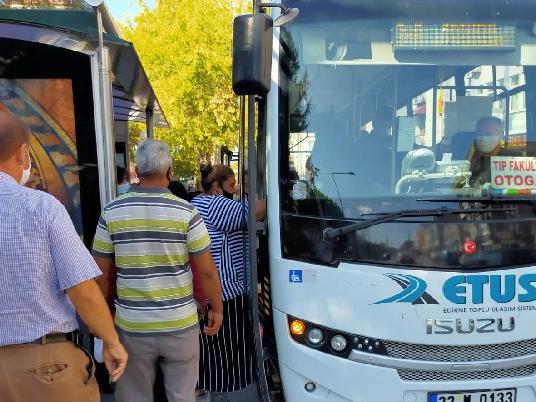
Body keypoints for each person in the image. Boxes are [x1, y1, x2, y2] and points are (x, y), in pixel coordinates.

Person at [0, 110, 128, 402]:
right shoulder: (41, 207)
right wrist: (111, 341)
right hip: (45, 368)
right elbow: (82, 289)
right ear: (22, 153)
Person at [92, 139, 224, 402]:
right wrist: (217, 309)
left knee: (133, 396)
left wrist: (105, 316)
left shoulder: (111, 212)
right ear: (170, 171)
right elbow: (207, 272)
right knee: (182, 395)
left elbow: (100, 275)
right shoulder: (187, 212)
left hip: (132, 326)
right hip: (181, 324)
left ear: (136, 172)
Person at [190, 164, 267, 402]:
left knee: (215, 352)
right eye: (232, 185)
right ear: (216, 186)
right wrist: (281, 196)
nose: (235, 190)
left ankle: (210, 390)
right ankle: (222, 394)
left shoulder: (198, 203)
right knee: (226, 355)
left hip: (212, 290)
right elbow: (254, 211)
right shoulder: (213, 204)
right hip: (225, 292)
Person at [469, 116, 513, 186]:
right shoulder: (471, 157)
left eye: (488, 134)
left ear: (501, 135)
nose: (483, 137)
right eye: (480, 134)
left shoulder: (511, 159)